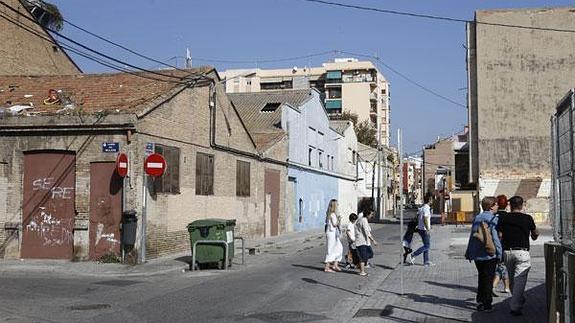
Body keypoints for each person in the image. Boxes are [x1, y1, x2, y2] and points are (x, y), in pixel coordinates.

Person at [496, 196, 539, 316]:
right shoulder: (527, 218)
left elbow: (499, 234)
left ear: (510, 205)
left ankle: (517, 299)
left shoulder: (504, 218)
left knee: (512, 280)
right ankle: (515, 307)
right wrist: (535, 235)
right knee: (519, 280)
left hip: (507, 252)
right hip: (522, 252)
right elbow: (534, 234)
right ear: (522, 205)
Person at [465, 196, 503, 312]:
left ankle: (480, 300)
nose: (498, 206)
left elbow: (473, 237)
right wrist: (500, 253)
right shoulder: (493, 220)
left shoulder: (477, 218)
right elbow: (495, 239)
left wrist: (470, 253)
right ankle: (487, 304)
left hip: (477, 255)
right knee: (488, 279)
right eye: (496, 204)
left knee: (482, 277)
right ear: (491, 206)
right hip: (489, 254)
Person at [492, 194, 510, 296]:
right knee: (503, 266)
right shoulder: (508, 217)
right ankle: (502, 286)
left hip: (494, 244)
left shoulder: (493, 216)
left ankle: (505, 286)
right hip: (505, 244)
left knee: (500, 266)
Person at [410, 195, 434, 266]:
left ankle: (426, 261)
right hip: (424, 229)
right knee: (427, 246)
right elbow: (425, 218)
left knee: (426, 245)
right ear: (429, 200)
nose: (432, 201)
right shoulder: (426, 208)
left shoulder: (422, 208)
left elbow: (418, 217)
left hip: (420, 229)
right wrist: (427, 228)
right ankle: (413, 254)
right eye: (431, 199)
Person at [355, 208, 378, 276]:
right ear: (367, 214)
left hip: (364, 241)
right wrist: (373, 240)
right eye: (371, 214)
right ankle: (362, 271)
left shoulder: (362, 219)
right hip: (362, 241)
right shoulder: (363, 220)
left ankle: (359, 264)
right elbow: (366, 232)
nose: (372, 216)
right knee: (363, 257)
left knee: (370, 254)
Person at [324, 199, 343, 273]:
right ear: (334, 206)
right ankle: (327, 267)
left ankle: (335, 264)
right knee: (331, 250)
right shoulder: (333, 214)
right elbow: (335, 224)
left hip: (332, 233)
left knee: (339, 248)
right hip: (332, 234)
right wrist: (339, 219)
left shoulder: (331, 214)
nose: (338, 205)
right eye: (337, 204)